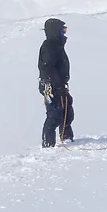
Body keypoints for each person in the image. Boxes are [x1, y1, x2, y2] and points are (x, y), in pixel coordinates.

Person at [38, 17, 74, 147]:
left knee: (67, 111)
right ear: (55, 31)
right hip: (51, 86)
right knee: (54, 114)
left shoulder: (57, 45)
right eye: (62, 30)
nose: (64, 33)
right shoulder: (49, 46)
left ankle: (67, 137)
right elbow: (47, 67)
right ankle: (48, 144)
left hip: (60, 85)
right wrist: (57, 83)